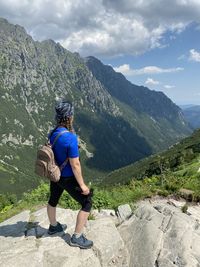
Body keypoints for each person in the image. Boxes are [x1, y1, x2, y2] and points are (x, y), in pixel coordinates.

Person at [47, 100, 93, 249]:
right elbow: (75, 164)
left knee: (53, 199)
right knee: (87, 202)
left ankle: (53, 226)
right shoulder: (71, 138)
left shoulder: (53, 133)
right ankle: (76, 238)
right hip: (67, 177)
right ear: (69, 117)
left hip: (55, 175)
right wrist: (82, 186)